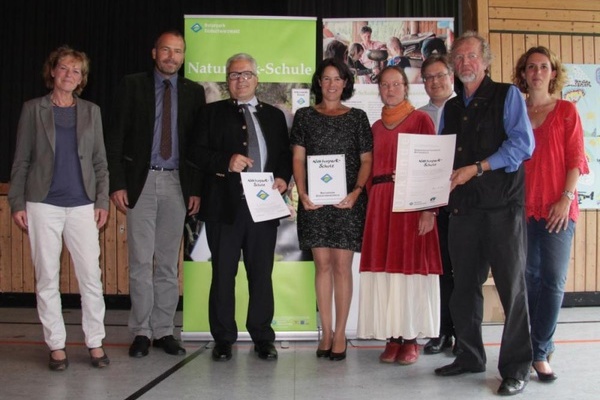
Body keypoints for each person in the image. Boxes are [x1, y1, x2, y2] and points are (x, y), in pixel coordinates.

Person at [434, 31, 534, 396]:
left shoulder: (507, 95)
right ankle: (470, 355)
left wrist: (476, 168)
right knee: (463, 289)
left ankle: (516, 367)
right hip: (463, 210)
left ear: (486, 61)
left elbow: (522, 145)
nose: (464, 63)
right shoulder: (452, 107)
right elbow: (444, 155)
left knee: (512, 289)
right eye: (458, 58)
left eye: (471, 56)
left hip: (503, 209)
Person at [8, 45, 110, 370]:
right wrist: (16, 202)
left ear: (82, 78)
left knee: (91, 278)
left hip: (82, 205)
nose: (69, 75)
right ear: (52, 71)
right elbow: (21, 160)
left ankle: (95, 342)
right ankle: (56, 346)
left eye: (76, 71)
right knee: (47, 278)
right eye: (64, 68)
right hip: (42, 205)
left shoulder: (91, 111)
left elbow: (100, 162)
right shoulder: (32, 109)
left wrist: (103, 201)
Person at [105, 30, 206, 358]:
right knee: (139, 261)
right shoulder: (131, 85)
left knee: (166, 264)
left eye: (178, 51)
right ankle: (141, 331)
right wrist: (117, 183)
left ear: (183, 56)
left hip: (178, 184)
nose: (171, 56)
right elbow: (116, 137)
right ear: (154, 53)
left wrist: (196, 190)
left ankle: (164, 330)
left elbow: (197, 146)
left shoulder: (194, 92)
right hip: (141, 183)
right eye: (166, 50)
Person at [189, 53, 292, 362]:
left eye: (246, 74)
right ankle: (223, 338)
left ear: (256, 79)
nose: (241, 79)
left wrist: (284, 179)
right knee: (223, 274)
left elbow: (284, 156)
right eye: (234, 75)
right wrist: (225, 161)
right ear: (227, 81)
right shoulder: (210, 113)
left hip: (264, 209)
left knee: (261, 274)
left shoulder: (274, 116)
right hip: (224, 208)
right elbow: (194, 152)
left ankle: (262, 336)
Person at [357, 65, 442, 366]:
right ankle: (393, 335)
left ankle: (410, 338)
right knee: (387, 271)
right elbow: (366, 170)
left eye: (396, 84)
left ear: (406, 88)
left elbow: (432, 165)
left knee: (409, 270)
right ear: (378, 89)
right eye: (384, 85)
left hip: (410, 204)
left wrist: (429, 209)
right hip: (380, 204)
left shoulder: (421, 120)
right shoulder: (375, 128)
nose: (390, 89)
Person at [513, 46, 588, 383]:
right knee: (528, 280)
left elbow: (575, 160)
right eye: (531, 67)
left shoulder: (567, 110)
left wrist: (565, 198)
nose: (538, 72)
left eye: (544, 66)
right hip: (523, 209)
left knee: (554, 280)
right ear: (524, 74)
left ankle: (540, 351)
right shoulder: (515, 112)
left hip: (559, 208)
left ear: (554, 73)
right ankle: (535, 346)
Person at [291, 58, 373, 361]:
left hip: (347, 203)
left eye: (337, 79)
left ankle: (340, 333)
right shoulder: (304, 116)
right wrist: (302, 192)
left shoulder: (358, 117)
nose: (331, 84)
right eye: (326, 79)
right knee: (321, 265)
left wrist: (356, 192)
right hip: (314, 202)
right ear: (319, 83)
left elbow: (366, 161)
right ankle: (325, 331)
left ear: (346, 83)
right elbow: (298, 159)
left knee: (342, 266)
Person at [418, 54, 457, 356]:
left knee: (466, 273)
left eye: (440, 75)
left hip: (468, 202)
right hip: (434, 206)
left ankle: (465, 334)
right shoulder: (420, 117)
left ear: (451, 76)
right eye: (429, 77)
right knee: (442, 269)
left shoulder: (468, 110)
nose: (435, 82)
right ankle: (443, 331)